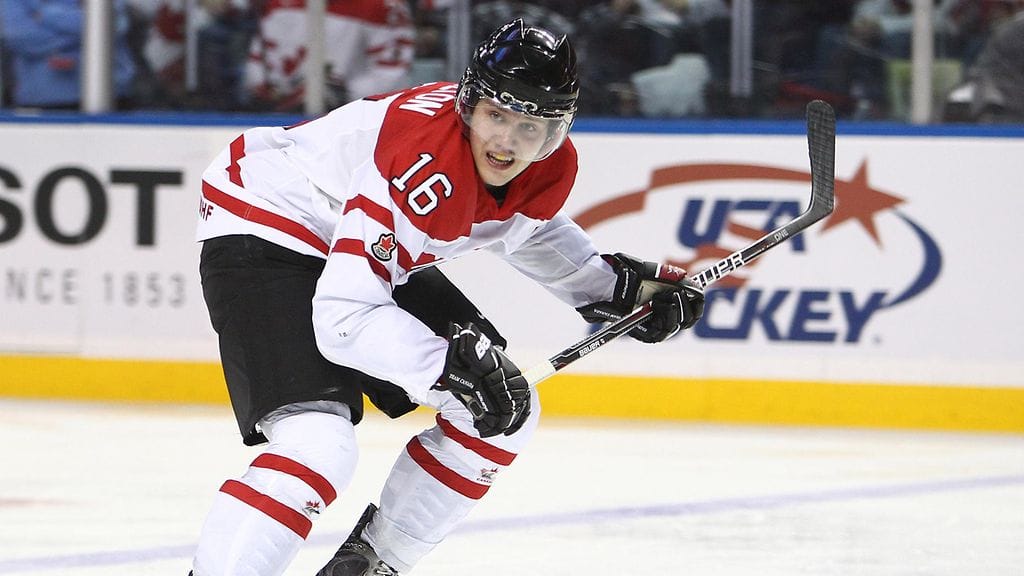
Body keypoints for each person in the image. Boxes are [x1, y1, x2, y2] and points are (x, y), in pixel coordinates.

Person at [191, 19, 705, 576]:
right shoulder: (424, 162)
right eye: (496, 115)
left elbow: (517, 226)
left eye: (530, 125)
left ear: (556, 132)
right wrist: (443, 366)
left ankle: (370, 566)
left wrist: (614, 289)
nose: (506, 141)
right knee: (318, 442)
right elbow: (344, 317)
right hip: (269, 218)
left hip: (354, 234)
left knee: (503, 410)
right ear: (469, 104)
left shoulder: (542, 167)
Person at [243, 0, 415, 112]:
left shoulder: (384, 7)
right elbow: (260, 69)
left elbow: (392, 78)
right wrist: (280, 93)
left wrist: (341, 95)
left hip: (356, 118)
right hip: (283, 114)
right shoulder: (278, 4)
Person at [0, 0, 136, 109]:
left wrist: (46, 15)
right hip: (41, 101)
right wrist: (88, 33)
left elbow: (112, 25)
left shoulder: (41, 11)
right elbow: (22, 38)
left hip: (112, 100)